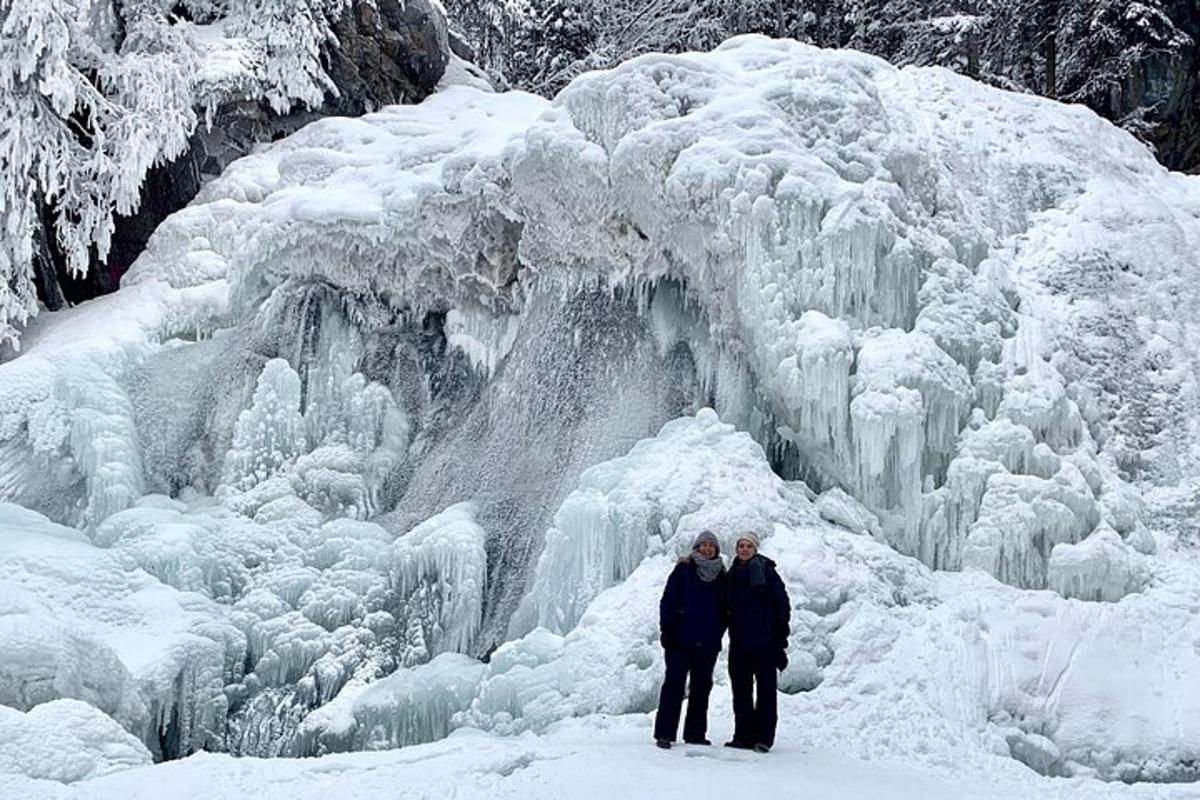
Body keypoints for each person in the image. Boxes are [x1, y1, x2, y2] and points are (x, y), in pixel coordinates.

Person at [653, 530, 728, 749]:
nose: (707, 548)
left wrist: (717, 632)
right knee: (674, 685)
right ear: (696, 548)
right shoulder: (683, 569)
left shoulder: (722, 576)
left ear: (716, 550)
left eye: (711, 546)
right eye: (703, 545)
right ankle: (665, 733)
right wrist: (667, 630)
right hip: (679, 640)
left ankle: (695, 733)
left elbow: (725, 609)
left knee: (701, 688)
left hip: (707, 643)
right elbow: (667, 601)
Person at [725, 531, 790, 753]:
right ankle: (743, 736)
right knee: (741, 692)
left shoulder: (768, 572)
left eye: (748, 546)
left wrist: (780, 637)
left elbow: (782, 604)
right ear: (736, 549)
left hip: (765, 642)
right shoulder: (732, 574)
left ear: (755, 549)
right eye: (741, 545)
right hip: (740, 643)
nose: (744, 549)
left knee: (766, 693)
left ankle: (763, 737)